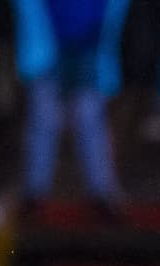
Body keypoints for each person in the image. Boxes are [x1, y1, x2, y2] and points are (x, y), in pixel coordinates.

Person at [11, 0, 130, 216]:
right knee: (44, 119)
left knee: (89, 119)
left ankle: (101, 194)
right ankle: (33, 193)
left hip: (89, 44)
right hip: (47, 43)